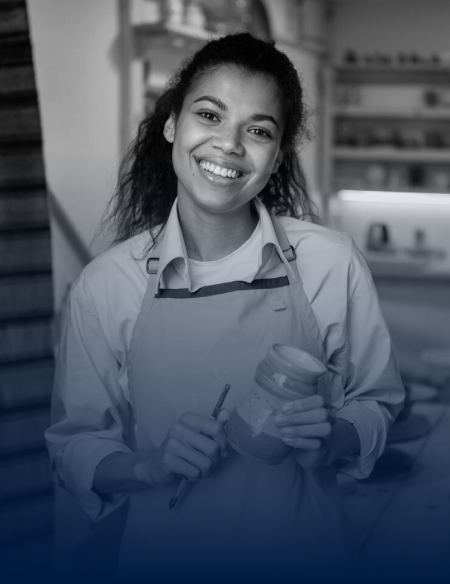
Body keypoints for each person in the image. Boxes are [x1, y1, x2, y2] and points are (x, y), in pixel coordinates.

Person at [46, 33, 404, 583]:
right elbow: (76, 448)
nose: (229, 145)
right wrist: (151, 463)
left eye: (258, 130)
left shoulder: (331, 263)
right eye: (209, 115)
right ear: (172, 125)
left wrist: (331, 439)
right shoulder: (106, 287)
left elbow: (376, 402)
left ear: (278, 154)